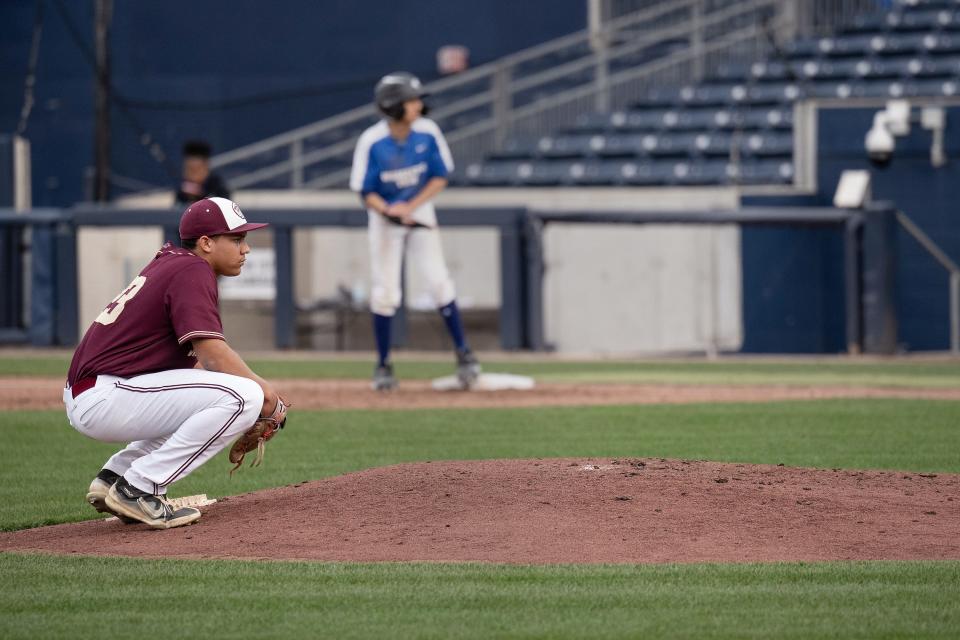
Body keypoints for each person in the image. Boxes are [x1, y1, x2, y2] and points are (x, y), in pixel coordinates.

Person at [64, 197, 286, 529]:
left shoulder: (173, 262)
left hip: (100, 391)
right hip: (108, 392)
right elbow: (212, 354)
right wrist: (267, 395)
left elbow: (195, 368)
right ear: (207, 243)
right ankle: (140, 488)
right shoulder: (192, 269)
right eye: (237, 239)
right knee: (246, 397)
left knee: (213, 400)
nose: (246, 249)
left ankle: (116, 476)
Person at [350, 71, 481, 391]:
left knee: (438, 281)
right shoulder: (372, 140)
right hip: (385, 217)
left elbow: (439, 176)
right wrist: (390, 210)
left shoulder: (427, 131)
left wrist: (410, 206)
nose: (418, 105)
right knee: (386, 292)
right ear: (394, 106)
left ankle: (464, 354)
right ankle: (383, 365)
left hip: (418, 209)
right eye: (412, 100)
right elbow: (364, 191)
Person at [175, 140, 231, 205]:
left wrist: (200, 195)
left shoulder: (218, 188)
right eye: (187, 169)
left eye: (195, 170)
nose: (190, 174)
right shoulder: (183, 191)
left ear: (206, 167)